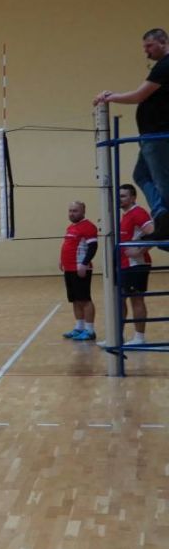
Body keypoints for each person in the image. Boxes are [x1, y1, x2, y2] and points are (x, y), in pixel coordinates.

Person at [94, 28, 169, 239]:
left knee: (162, 181)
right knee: (141, 175)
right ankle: (162, 214)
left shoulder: (165, 65)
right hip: (150, 136)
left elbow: (138, 96)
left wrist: (110, 97)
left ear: (163, 42)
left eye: (149, 46)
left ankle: (166, 222)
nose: (146, 51)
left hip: (157, 134)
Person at [116, 184, 154, 346]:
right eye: (119, 196)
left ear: (133, 198)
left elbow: (153, 233)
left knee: (136, 300)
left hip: (136, 265)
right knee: (120, 300)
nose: (120, 199)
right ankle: (118, 336)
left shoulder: (138, 213)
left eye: (123, 196)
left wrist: (139, 251)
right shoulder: (126, 215)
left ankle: (139, 338)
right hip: (124, 265)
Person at [57, 200, 99, 341]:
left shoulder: (88, 227)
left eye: (75, 211)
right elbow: (68, 245)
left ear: (83, 211)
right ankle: (79, 328)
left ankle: (90, 330)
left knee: (85, 299)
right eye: (70, 211)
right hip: (69, 268)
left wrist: (84, 264)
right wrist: (61, 260)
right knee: (75, 299)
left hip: (80, 268)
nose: (72, 213)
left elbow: (93, 247)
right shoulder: (71, 227)